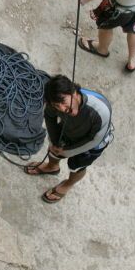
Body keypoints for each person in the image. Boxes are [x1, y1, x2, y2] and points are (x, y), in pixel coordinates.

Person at [24, 75, 113, 204]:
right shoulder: (55, 104)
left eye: (64, 102)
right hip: (70, 130)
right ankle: (52, 167)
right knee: (54, 148)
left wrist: (66, 151)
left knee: (76, 165)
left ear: (74, 92)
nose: (62, 109)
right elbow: (49, 115)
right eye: (56, 105)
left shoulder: (100, 111)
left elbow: (94, 140)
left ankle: (68, 184)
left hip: (92, 143)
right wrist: (54, 141)